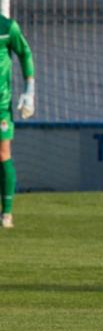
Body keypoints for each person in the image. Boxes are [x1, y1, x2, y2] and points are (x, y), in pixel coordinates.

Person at [0, 15, 35, 229]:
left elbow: (24, 53)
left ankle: (7, 213)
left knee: (3, 153)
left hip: (1, 105)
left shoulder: (7, 27)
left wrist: (29, 91)